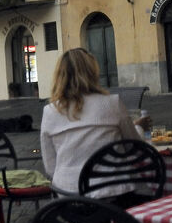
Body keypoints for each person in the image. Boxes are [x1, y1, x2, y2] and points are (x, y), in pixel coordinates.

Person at [40, 48, 148, 206]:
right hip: (114, 197)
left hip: (69, 200)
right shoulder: (112, 103)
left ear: (59, 76)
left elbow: (50, 167)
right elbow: (135, 147)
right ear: (92, 72)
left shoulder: (50, 112)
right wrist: (138, 127)